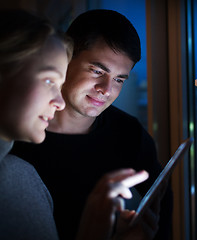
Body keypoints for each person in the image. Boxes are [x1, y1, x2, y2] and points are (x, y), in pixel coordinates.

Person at [11, 9, 173, 240]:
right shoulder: (19, 131)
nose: (106, 89)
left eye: (119, 79)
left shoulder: (129, 133)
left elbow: (161, 203)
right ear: (66, 59)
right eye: (97, 71)